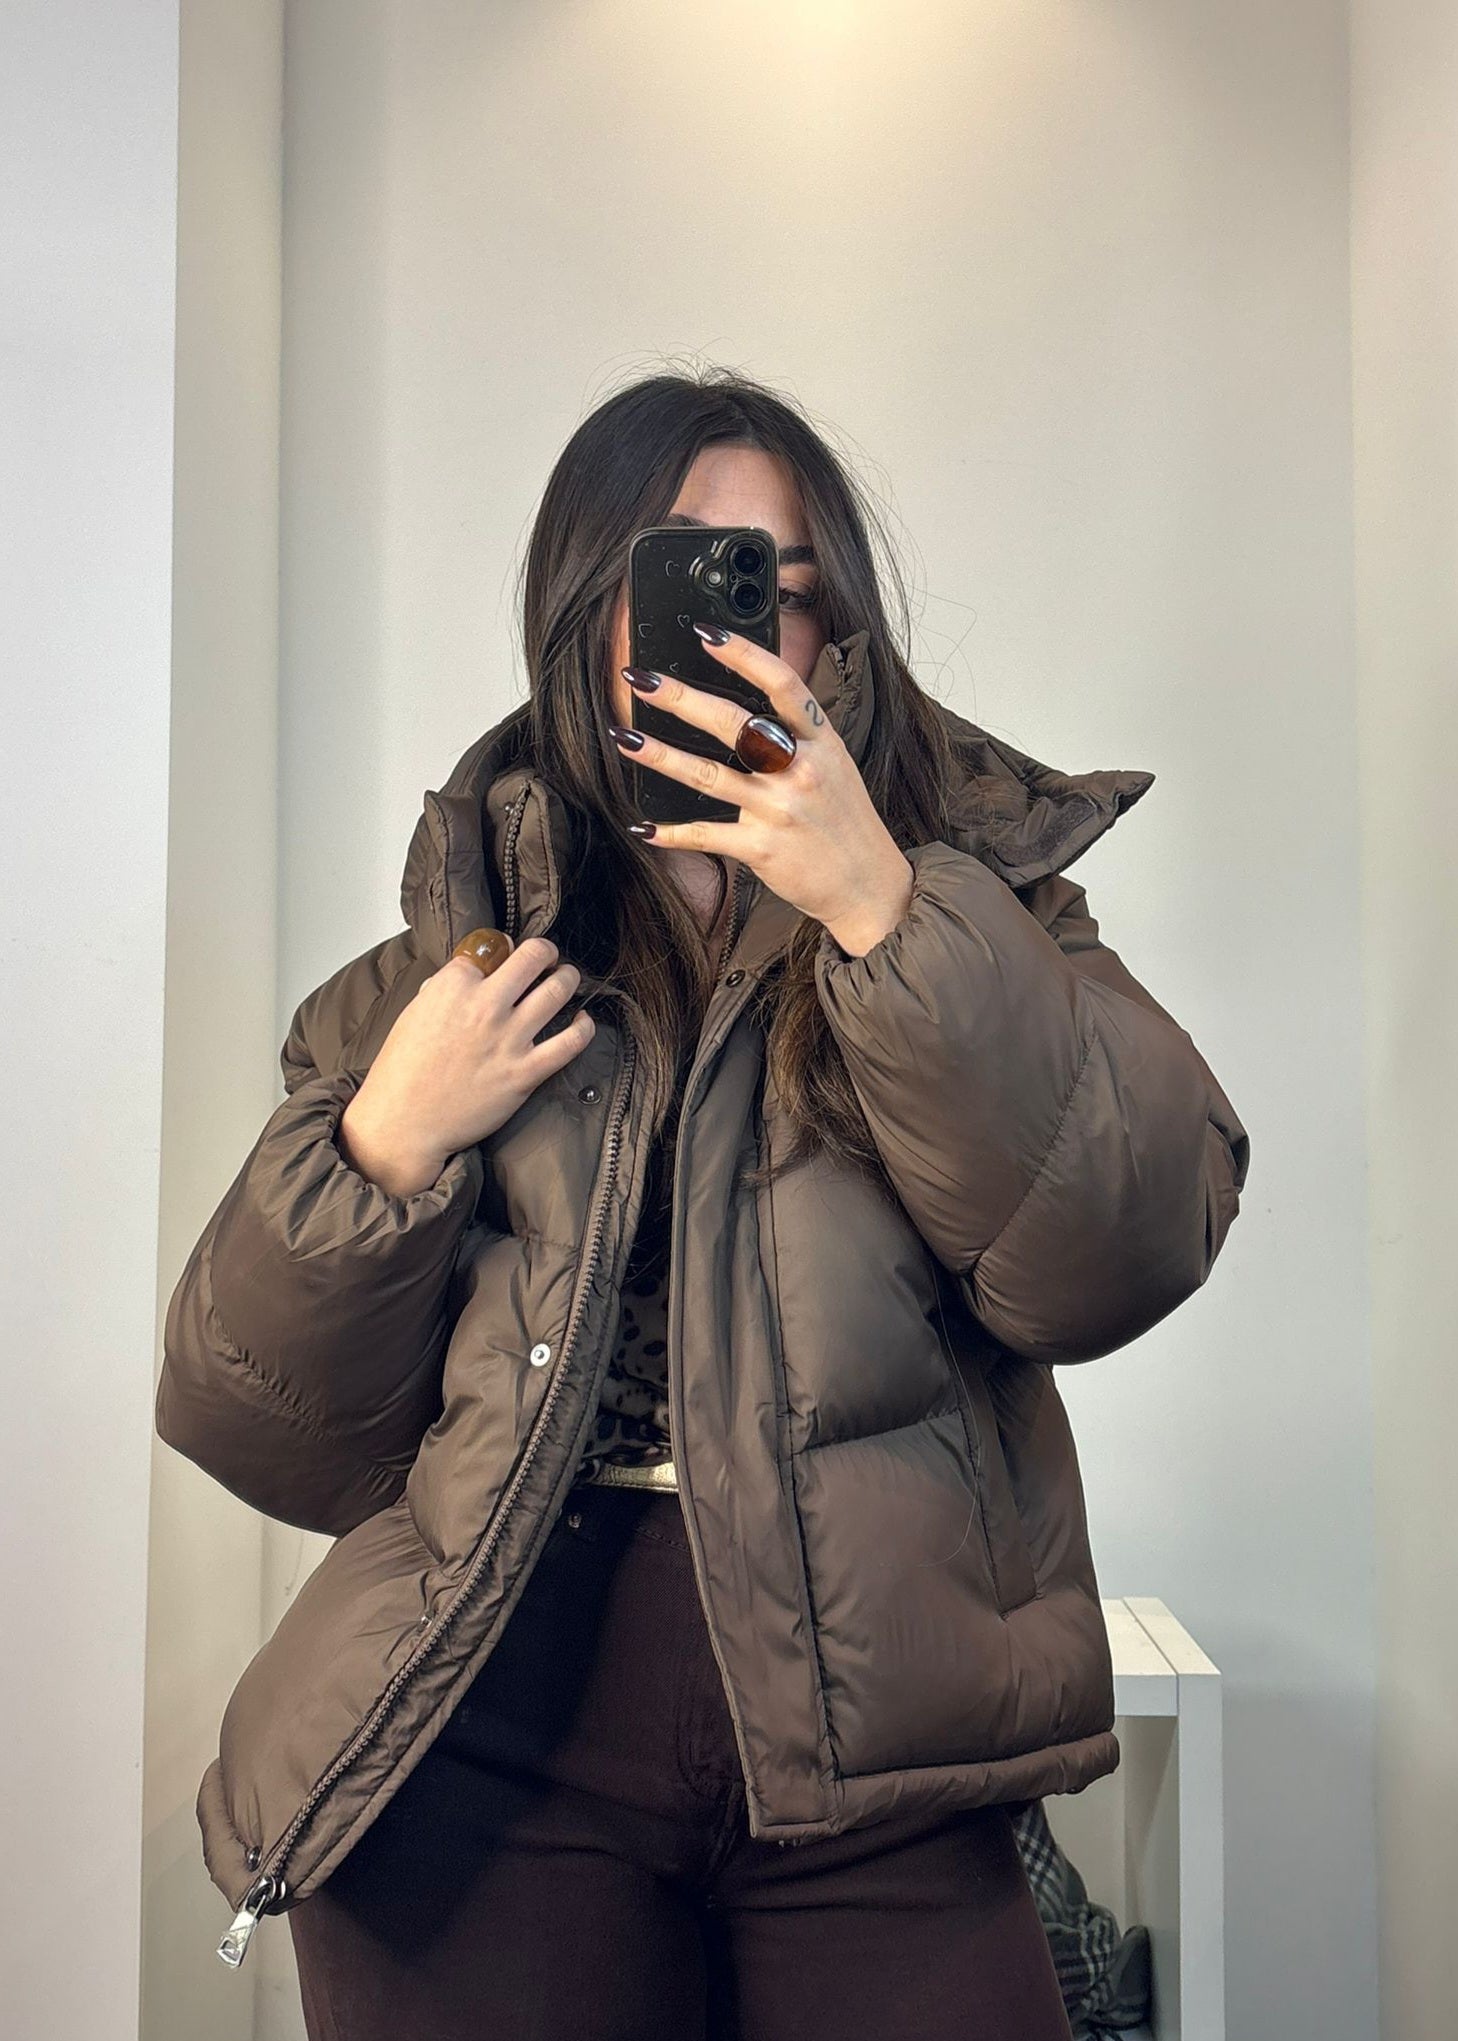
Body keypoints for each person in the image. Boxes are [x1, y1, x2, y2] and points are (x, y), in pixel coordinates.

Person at [156, 367, 1250, 2039]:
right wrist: (384, 1143)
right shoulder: (440, 969)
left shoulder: (985, 914)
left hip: (876, 1748)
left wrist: (887, 912)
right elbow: (252, 1419)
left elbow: (1125, 1246)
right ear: (582, 618)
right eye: (670, 582)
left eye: (774, 591)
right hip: (491, 1738)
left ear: (835, 637)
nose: (726, 635)